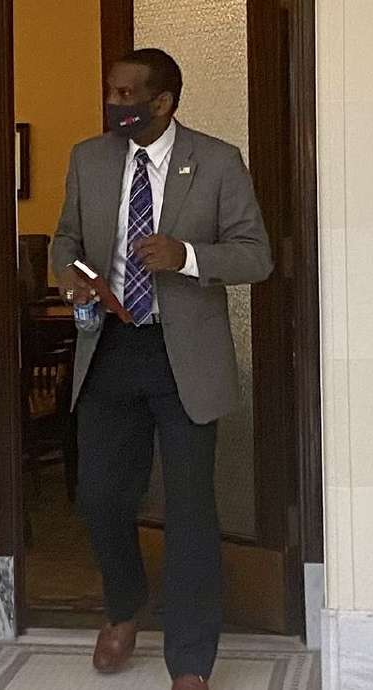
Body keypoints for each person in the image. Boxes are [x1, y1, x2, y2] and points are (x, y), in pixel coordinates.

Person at [51, 48, 273, 690]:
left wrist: (188, 255)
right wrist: (77, 277)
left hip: (185, 360)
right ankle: (124, 609)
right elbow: (67, 241)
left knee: (191, 511)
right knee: (99, 498)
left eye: (126, 94)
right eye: (110, 92)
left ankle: (191, 661)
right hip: (110, 351)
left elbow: (255, 257)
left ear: (162, 103)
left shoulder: (218, 160)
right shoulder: (88, 159)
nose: (113, 103)